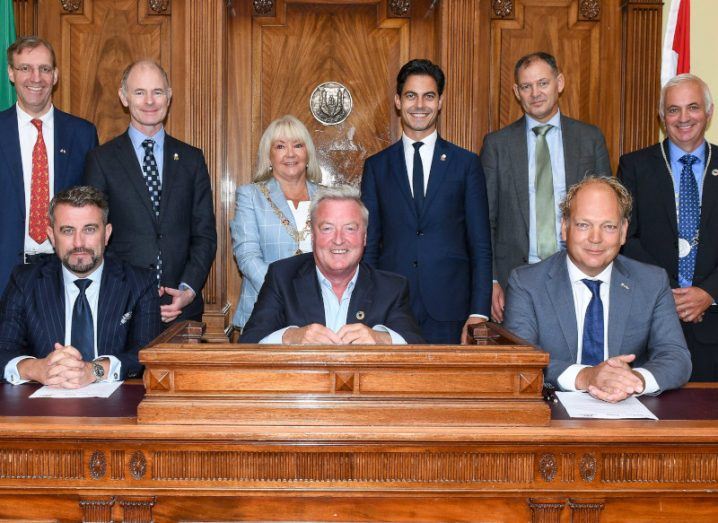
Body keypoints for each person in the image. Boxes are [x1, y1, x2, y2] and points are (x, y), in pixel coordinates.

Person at [504, 176, 691, 402]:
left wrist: (633, 380)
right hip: (552, 414)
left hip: (630, 414)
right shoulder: (526, 283)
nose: (595, 238)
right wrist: (586, 376)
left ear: (623, 232)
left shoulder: (652, 282)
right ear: (565, 228)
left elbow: (676, 357)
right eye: (584, 225)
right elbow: (521, 360)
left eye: (609, 226)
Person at [361, 58, 491, 344]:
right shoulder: (377, 166)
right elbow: (369, 245)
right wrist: (368, 306)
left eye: (428, 96)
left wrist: (479, 311)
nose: (419, 105)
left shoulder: (466, 164)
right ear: (398, 101)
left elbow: (480, 244)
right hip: (390, 309)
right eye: (411, 95)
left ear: (440, 101)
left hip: (451, 309)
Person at [84, 59, 216, 324]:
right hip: (121, 306)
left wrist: (188, 289)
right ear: (124, 97)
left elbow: (204, 234)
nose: (149, 102)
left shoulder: (191, 159)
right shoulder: (102, 160)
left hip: (181, 310)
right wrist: (128, 290)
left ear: (169, 96)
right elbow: (92, 233)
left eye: (157, 92)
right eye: (139, 92)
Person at [481, 51, 610, 322]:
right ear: (517, 92)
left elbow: (609, 215)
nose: (535, 93)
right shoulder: (497, 145)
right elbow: (486, 221)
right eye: (526, 86)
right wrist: (491, 280)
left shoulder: (589, 139)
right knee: (521, 361)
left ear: (559, 83)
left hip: (579, 274)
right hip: (516, 280)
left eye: (543, 83)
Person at [0, 186, 161, 388]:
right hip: (42, 407)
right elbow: (3, 349)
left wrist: (93, 371)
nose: (78, 243)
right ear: (51, 235)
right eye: (67, 231)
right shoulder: (25, 281)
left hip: (117, 409)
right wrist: (37, 368)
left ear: (107, 233)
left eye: (89, 229)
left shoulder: (140, 283)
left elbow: (147, 355)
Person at [618, 73, 718, 381]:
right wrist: (667, 291)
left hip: (714, 321)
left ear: (709, 113)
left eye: (693, 107)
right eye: (674, 110)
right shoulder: (634, 166)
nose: (684, 118)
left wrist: (708, 292)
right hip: (652, 322)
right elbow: (625, 238)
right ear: (662, 117)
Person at [240, 185, 424, 345]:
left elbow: (418, 349)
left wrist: (381, 339)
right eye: (327, 228)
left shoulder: (391, 288)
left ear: (365, 237)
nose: (338, 240)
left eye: (350, 228)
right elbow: (248, 344)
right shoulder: (282, 277)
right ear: (313, 236)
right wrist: (290, 336)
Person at [0, 36, 98, 297]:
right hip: (4, 276)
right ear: (11, 73)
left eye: (44, 69)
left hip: (64, 276)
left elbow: (94, 209)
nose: (36, 78)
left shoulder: (83, 134)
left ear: (55, 75)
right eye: (25, 68)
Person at [230, 115, 321, 331]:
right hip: (263, 313)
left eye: (298, 145)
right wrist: (287, 296)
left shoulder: (329, 198)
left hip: (319, 315)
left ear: (308, 154)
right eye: (280, 146)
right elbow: (247, 256)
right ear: (268, 157)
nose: (290, 153)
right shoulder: (250, 195)